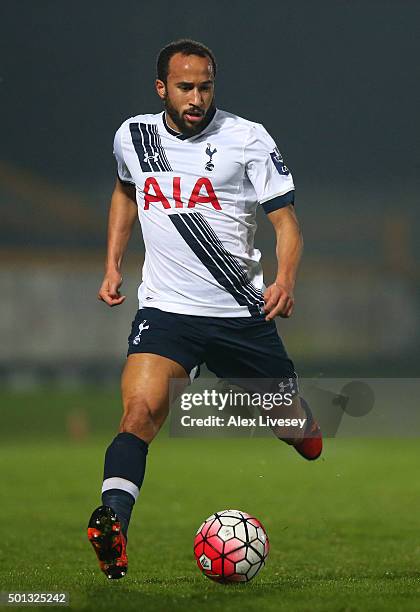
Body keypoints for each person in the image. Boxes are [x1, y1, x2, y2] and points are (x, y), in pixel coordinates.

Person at [87, 38, 322, 580]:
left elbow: (287, 224)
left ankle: (299, 420)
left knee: (300, 434)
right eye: (185, 87)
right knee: (139, 413)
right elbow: (126, 191)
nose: (196, 97)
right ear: (161, 88)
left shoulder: (247, 138)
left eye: (205, 86)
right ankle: (114, 523)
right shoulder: (134, 136)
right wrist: (112, 264)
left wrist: (284, 279)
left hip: (241, 316)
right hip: (167, 313)